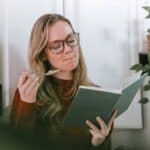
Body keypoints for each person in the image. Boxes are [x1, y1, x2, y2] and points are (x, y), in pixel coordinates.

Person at [10, 14, 116, 150]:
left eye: (71, 40)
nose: (68, 50)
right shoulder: (28, 93)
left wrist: (98, 143)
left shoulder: (99, 94)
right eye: (56, 45)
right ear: (43, 54)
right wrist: (26, 104)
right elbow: (16, 145)